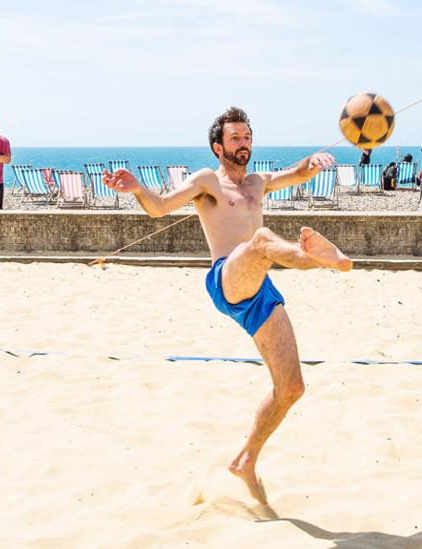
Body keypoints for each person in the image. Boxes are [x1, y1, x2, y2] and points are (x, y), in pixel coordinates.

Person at [102, 107, 352, 504]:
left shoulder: (257, 182)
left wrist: (315, 161)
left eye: (247, 137)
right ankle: (327, 259)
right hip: (226, 277)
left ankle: (245, 460)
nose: (244, 144)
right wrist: (137, 189)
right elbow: (161, 206)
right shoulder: (207, 182)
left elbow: (298, 172)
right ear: (218, 146)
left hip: (260, 287)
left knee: (291, 387)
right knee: (262, 239)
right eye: (235, 138)